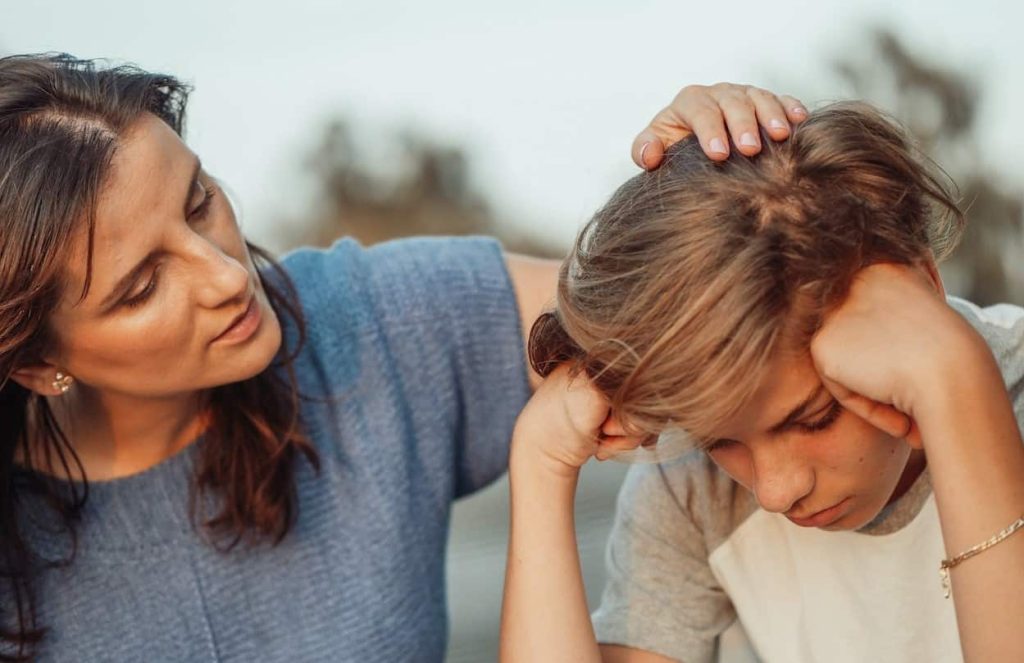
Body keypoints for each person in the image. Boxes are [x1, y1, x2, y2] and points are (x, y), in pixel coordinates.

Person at [0, 52, 807, 661]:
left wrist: (722, 183)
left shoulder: (376, 320)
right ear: (37, 363)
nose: (225, 274)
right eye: (142, 286)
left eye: (200, 201)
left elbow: (689, 300)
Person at [500, 102, 1024, 662]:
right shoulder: (691, 487)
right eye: (719, 440)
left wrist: (955, 384)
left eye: (814, 417)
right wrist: (539, 464)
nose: (775, 491)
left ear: (921, 288)